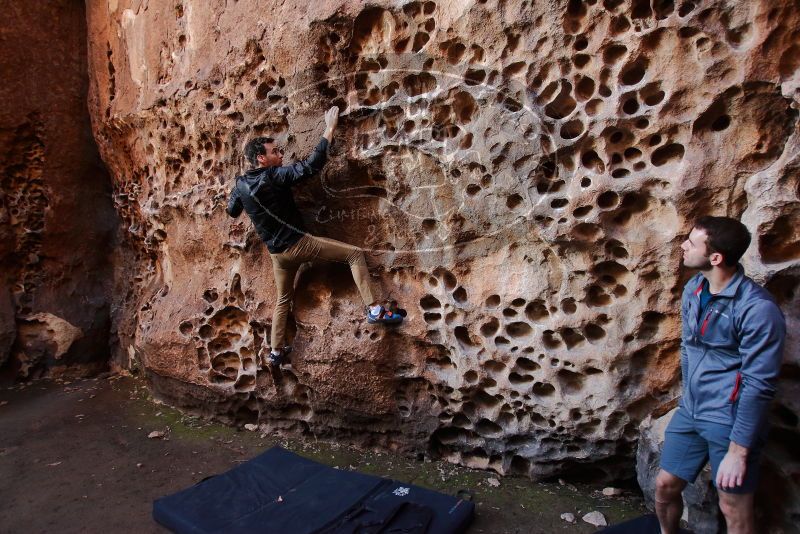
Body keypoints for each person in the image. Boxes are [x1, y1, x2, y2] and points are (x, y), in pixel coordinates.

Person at [226, 106, 404, 368]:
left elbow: (232, 211)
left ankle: (275, 352)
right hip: (299, 245)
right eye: (275, 151)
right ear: (261, 159)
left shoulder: (241, 184)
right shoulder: (274, 176)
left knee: (283, 300)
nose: (280, 153)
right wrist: (329, 129)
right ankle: (375, 309)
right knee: (355, 254)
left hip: (277, 255)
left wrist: (238, 190)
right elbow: (311, 166)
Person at [655, 216, 786, 534]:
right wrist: (688, 396)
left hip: (729, 420)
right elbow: (688, 346)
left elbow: (759, 385)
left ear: (715, 258)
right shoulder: (694, 288)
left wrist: (738, 452)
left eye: (692, 242)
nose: (683, 246)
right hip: (692, 411)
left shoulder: (757, 310)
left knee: (734, 509)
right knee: (664, 487)